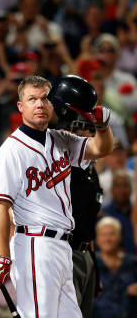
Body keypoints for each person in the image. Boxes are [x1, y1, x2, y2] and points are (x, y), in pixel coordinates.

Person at [0, 75, 113, 317]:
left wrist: (102, 126)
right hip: (35, 245)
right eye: (32, 99)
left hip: (63, 247)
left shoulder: (60, 139)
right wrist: (3, 257)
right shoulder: (11, 151)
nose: (39, 104)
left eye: (44, 98)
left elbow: (100, 149)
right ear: (20, 106)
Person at [65, 116, 103, 317]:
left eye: (88, 132)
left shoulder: (92, 170)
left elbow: (90, 222)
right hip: (66, 251)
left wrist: (93, 265)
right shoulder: (62, 169)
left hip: (86, 253)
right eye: (78, 133)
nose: (84, 136)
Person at [93, 217, 137, 318]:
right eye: (103, 235)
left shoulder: (132, 262)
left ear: (120, 237)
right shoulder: (91, 263)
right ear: (97, 239)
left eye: (112, 234)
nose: (107, 239)